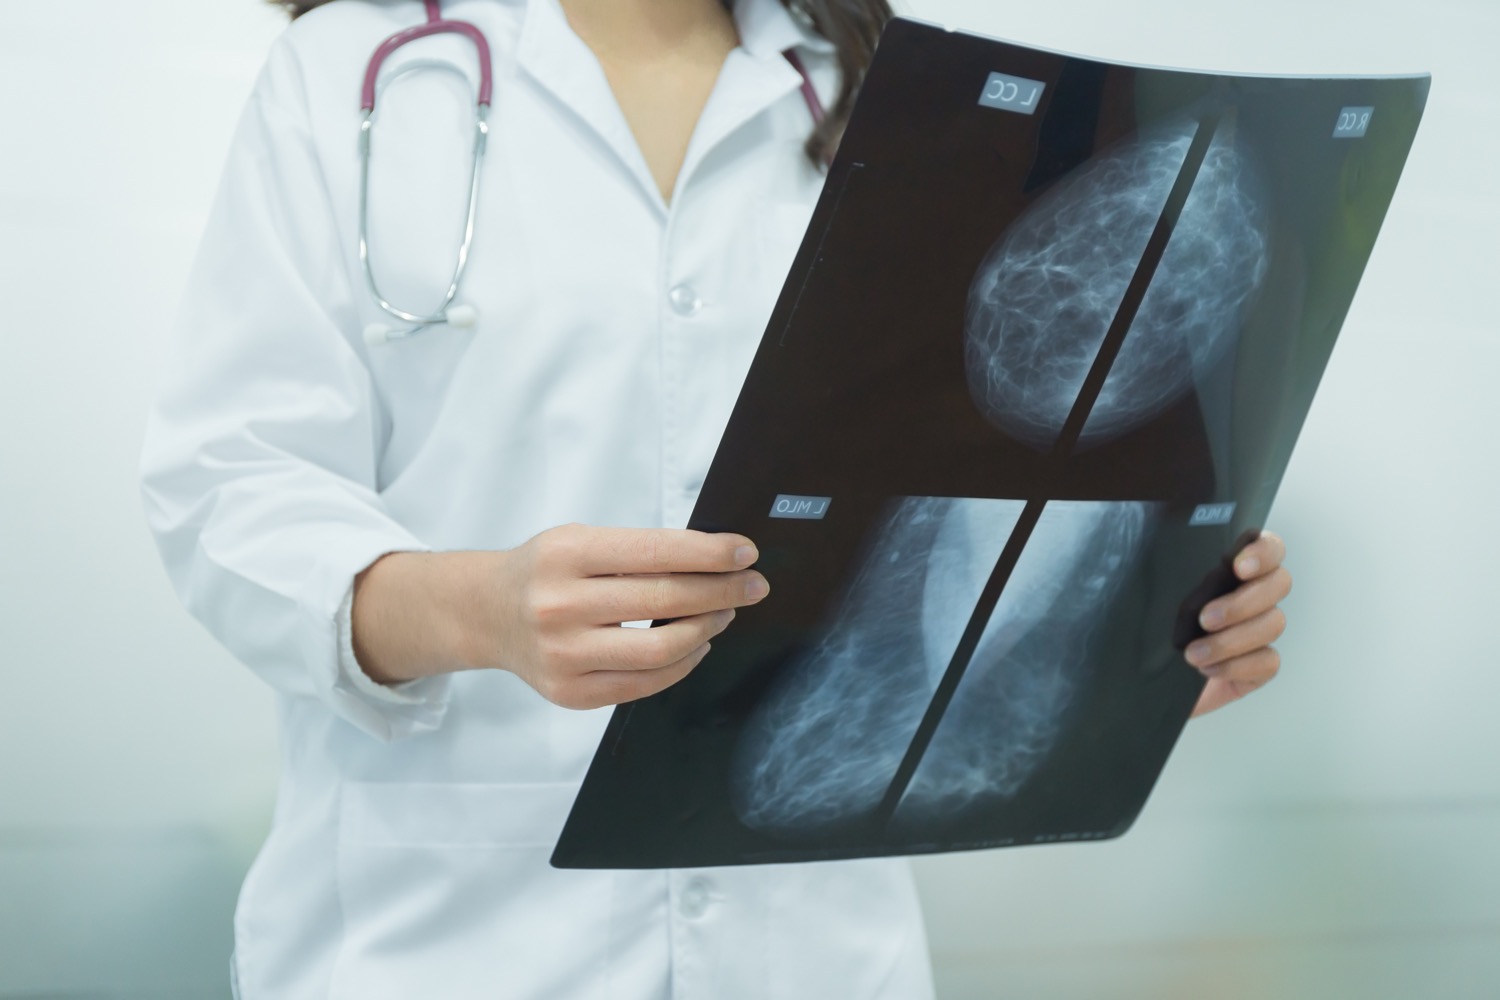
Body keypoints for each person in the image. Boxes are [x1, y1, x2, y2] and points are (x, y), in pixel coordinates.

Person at [138, 0, 1293, 997]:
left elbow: (948, 501)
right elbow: (229, 485)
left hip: (815, 953)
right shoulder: (353, 73)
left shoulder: (890, 92)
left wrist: (1120, 646)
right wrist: (474, 609)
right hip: (440, 940)